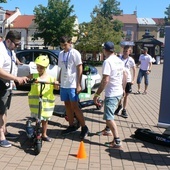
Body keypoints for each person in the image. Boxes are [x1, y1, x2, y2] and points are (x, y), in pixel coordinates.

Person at [93, 41, 127, 149]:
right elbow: (124, 76)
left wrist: (97, 94)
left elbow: (105, 80)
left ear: (105, 50)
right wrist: (123, 89)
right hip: (118, 91)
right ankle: (107, 130)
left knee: (108, 117)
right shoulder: (119, 60)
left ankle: (117, 140)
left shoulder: (107, 62)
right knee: (110, 113)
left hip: (112, 93)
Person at [0, 30, 28, 148]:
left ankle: (4, 131)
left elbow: (12, 58)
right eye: (16, 44)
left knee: (4, 110)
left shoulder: (9, 49)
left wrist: (18, 62)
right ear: (8, 41)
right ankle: (1, 137)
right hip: (1, 84)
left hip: (8, 84)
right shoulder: (1, 50)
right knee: (0, 112)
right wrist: (16, 78)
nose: (17, 47)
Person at [58, 36, 89, 139]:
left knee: (75, 106)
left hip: (72, 84)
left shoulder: (75, 53)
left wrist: (78, 84)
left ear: (70, 43)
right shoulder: (61, 54)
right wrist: (58, 80)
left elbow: (80, 67)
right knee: (67, 105)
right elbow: (61, 69)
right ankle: (71, 125)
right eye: (62, 45)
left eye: (65, 45)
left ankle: (84, 127)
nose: (64, 47)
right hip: (64, 84)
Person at [28, 55, 59, 142]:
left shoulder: (51, 78)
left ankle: (44, 134)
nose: (39, 69)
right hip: (36, 104)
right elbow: (26, 78)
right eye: (38, 67)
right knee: (37, 119)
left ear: (46, 67)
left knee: (45, 120)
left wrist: (56, 84)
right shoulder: (34, 76)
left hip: (46, 104)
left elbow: (56, 88)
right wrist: (26, 79)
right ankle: (36, 132)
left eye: (41, 67)